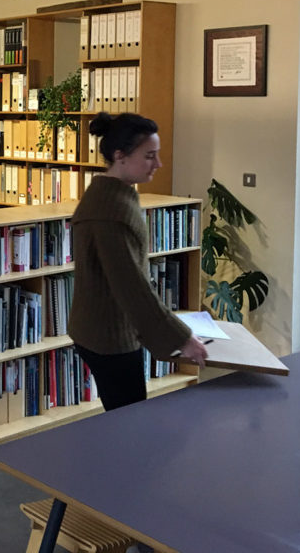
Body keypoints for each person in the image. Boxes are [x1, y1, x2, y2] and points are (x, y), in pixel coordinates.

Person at [68, 111, 207, 412]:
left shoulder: (114, 195)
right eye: (149, 156)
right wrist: (182, 338)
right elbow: (132, 288)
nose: (158, 164)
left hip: (108, 329)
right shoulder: (109, 212)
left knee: (126, 419)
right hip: (109, 337)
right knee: (129, 421)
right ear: (120, 156)